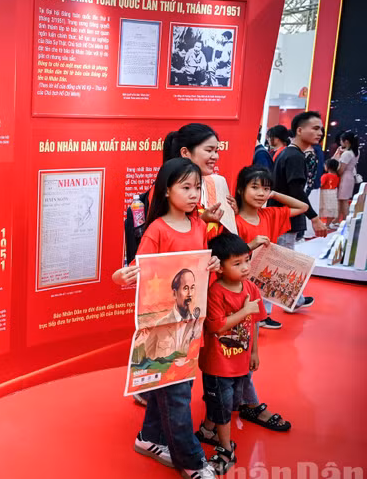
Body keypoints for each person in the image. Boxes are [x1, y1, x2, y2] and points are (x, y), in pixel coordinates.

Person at [113, 158, 228, 479]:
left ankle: (149, 438)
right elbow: (139, 270)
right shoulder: (157, 230)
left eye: (197, 187)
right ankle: (191, 462)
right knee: (177, 396)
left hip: (190, 325)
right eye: (185, 187)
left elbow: (200, 266)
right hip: (163, 328)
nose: (194, 194)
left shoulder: (198, 225)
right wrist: (121, 276)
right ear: (166, 190)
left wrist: (213, 263)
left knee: (173, 387)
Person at [196, 233, 267, 475]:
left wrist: (254, 352)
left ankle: (207, 430)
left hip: (240, 360)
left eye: (247, 260)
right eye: (237, 263)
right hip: (218, 364)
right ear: (219, 267)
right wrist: (245, 310)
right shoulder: (215, 292)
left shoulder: (251, 288)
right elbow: (216, 326)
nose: (245, 267)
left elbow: (255, 321)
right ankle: (226, 447)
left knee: (222, 402)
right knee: (222, 405)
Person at [124, 123, 226, 266]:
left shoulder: (199, 223)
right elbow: (144, 265)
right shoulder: (157, 227)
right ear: (185, 152)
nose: (215, 156)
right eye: (209, 150)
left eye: (216, 151)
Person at [235, 165, 309, 330]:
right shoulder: (234, 220)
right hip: (240, 285)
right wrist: (250, 245)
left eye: (266, 188)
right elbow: (228, 255)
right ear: (241, 190)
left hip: (262, 282)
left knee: (254, 328)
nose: (261, 193)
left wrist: (275, 194)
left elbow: (303, 207)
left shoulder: (269, 214)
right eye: (255, 187)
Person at [269, 111, 327, 309]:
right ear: (300, 130)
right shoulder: (294, 156)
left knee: (285, 260)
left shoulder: (290, 153)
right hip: (286, 217)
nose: (320, 133)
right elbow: (296, 192)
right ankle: (284, 304)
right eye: (315, 128)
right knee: (284, 262)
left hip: (284, 217)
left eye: (321, 129)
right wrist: (314, 218)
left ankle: (295, 300)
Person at [151, 269, 202, 356]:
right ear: (175, 293)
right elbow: (148, 358)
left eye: (192, 287)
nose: (190, 293)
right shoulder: (160, 325)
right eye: (185, 288)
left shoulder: (197, 324)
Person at [335, 131, 360, 222]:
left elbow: (341, 170)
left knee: (343, 201)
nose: (340, 142)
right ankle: (340, 220)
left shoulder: (347, 154)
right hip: (350, 177)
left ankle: (346, 222)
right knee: (343, 200)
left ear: (346, 141)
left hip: (344, 178)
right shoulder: (356, 152)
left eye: (341, 140)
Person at [320, 159, 340, 227]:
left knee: (321, 208)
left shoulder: (325, 176)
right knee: (331, 209)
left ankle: (320, 223)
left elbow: (321, 184)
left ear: (328, 167)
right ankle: (327, 225)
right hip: (333, 193)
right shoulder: (337, 176)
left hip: (324, 193)